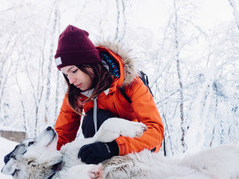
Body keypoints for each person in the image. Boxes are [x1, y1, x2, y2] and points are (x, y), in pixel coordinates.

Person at [54, 25, 164, 165]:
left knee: (99, 119)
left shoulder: (131, 85)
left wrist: (112, 147)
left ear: (89, 64)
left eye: (74, 71)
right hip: (97, 155)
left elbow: (156, 132)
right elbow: (62, 136)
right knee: (91, 121)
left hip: (131, 150)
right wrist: (50, 163)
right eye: (66, 74)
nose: (70, 80)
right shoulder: (76, 93)